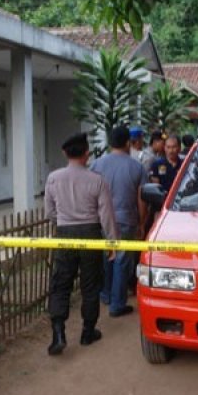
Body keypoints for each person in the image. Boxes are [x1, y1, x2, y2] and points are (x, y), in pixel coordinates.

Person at [45, 133, 118, 355]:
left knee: (60, 284)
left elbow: (49, 212)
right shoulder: (97, 180)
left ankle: (58, 333)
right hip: (91, 234)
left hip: (65, 234)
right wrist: (112, 243)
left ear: (65, 153)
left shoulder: (53, 178)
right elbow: (106, 215)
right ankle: (88, 332)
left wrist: (65, 221)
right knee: (90, 285)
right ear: (87, 154)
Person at [92, 126, 147, 317]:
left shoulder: (97, 165)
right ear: (127, 143)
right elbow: (141, 198)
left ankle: (106, 295)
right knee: (123, 261)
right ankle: (117, 304)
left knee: (107, 257)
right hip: (126, 219)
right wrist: (141, 223)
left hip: (101, 219)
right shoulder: (137, 167)